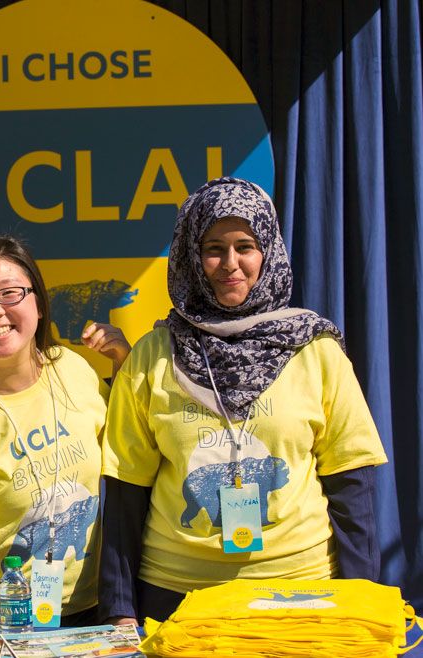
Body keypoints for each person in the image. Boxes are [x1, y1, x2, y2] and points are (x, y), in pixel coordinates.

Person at [98, 177, 388, 624]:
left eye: (245, 246)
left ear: (267, 251)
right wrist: (119, 609)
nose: (229, 264)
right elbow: (124, 491)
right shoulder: (155, 354)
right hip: (176, 596)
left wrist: (361, 601)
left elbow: (352, 482)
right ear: (192, 256)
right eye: (213, 248)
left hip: (301, 591)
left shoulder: (314, 348)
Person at [0, 234, 130, 628]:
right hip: (1, 620)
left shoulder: (74, 369)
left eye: (9, 293)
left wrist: (123, 362)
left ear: (39, 302)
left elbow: (125, 447)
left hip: (95, 614)